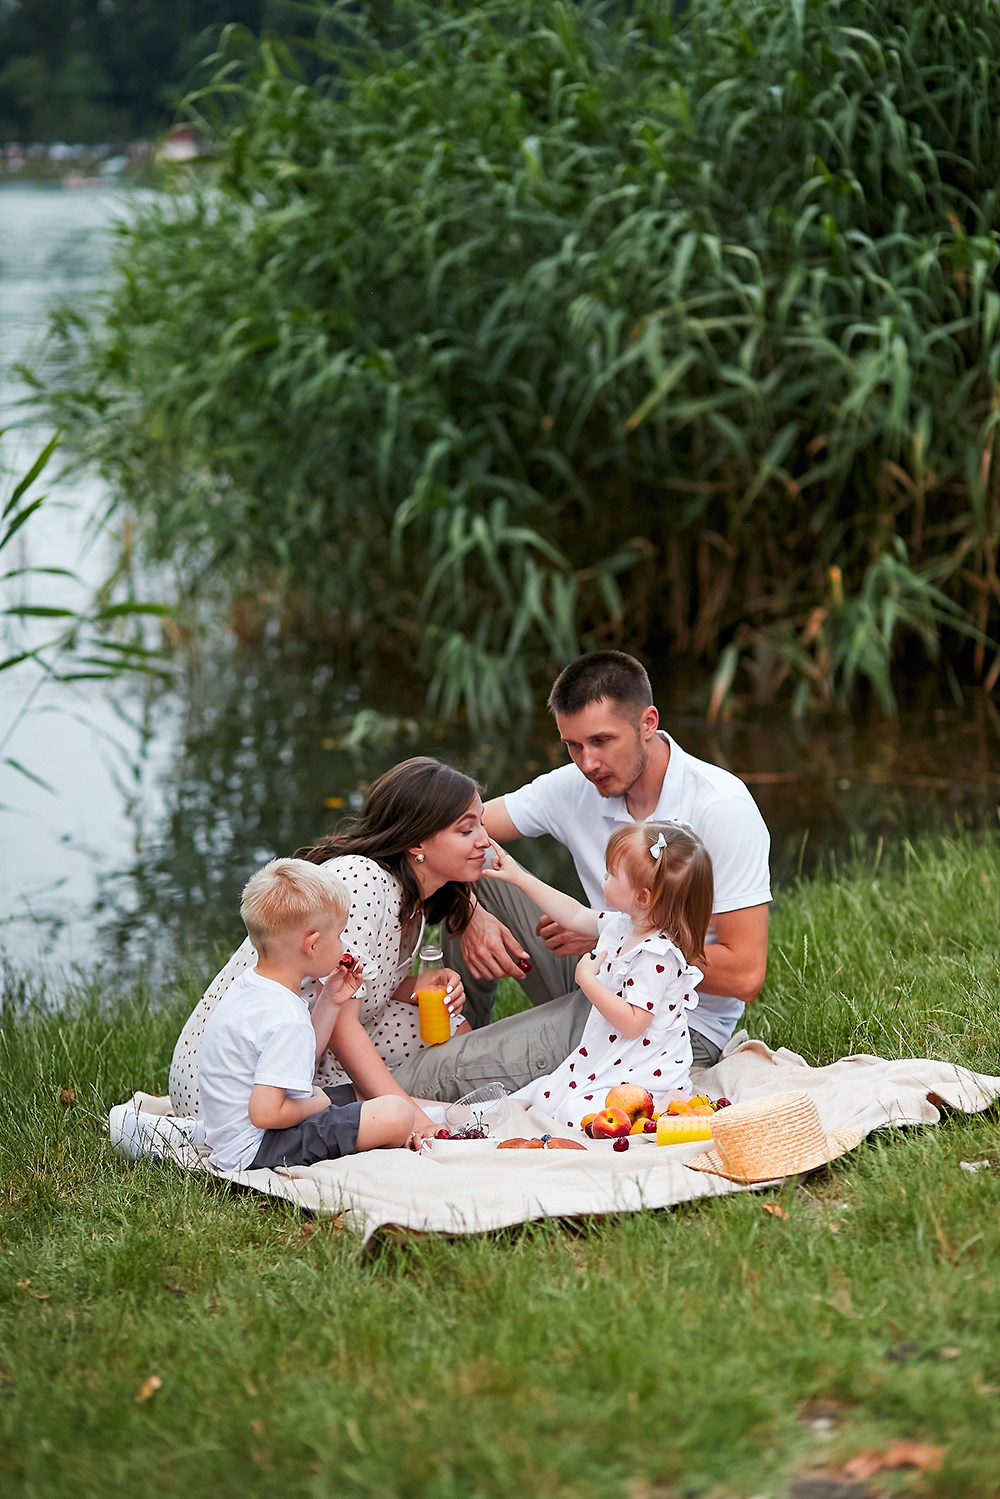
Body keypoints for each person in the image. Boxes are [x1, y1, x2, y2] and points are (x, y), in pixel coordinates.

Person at [390, 652, 770, 1101]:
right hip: (600, 968)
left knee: (420, 1079)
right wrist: (469, 912)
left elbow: (746, 974)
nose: (588, 763)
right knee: (481, 867)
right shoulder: (576, 784)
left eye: (602, 741)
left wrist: (611, 939)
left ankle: (405, 1082)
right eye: (573, 746)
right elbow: (451, 832)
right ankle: (459, 1027)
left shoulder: (721, 807)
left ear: (648, 723)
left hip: (668, 1021)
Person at [169, 757, 491, 1133]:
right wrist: (412, 1120)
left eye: (482, 824)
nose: (485, 839)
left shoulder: (415, 902)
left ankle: (456, 1108)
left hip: (306, 1045)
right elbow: (340, 1020)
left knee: (451, 1025)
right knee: (399, 1110)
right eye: (467, 830)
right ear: (417, 841)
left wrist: (414, 986)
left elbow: (360, 986)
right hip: (234, 1084)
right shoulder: (361, 880)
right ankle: (418, 1114)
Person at [489, 821, 713, 1132]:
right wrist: (520, 879)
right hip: (608, 1054)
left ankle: (661, 1104)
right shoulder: (623, 925)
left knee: (573, 1115)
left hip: (645, 1069)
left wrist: (589, 982)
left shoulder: (656, 957)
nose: (603, 877)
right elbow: (574, 914)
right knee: (545, 1098)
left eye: (610, 874)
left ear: (643, 897)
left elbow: (634, 1024)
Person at [199, 858, 419, 1171]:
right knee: (395, 1114)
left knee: (359, 1094)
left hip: (237, 1136)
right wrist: (318, 1102)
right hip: (257, 1148)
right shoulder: (285, 1016)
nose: (343, 944)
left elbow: (293, 1065)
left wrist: (329, 1000)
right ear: (313, 945)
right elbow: (265, 1114)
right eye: (340, 934)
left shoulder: (251, 987)